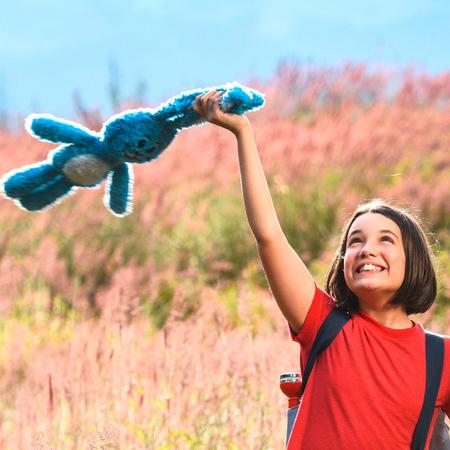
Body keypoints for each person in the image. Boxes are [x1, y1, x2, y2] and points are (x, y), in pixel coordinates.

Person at [193, 90, 450, 449]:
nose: (366, 250)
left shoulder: (442, 358)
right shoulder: (322, 323)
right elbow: (268, 236)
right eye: (354, 242)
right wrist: (243, 133)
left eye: (385, 240)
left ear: (415, 262)